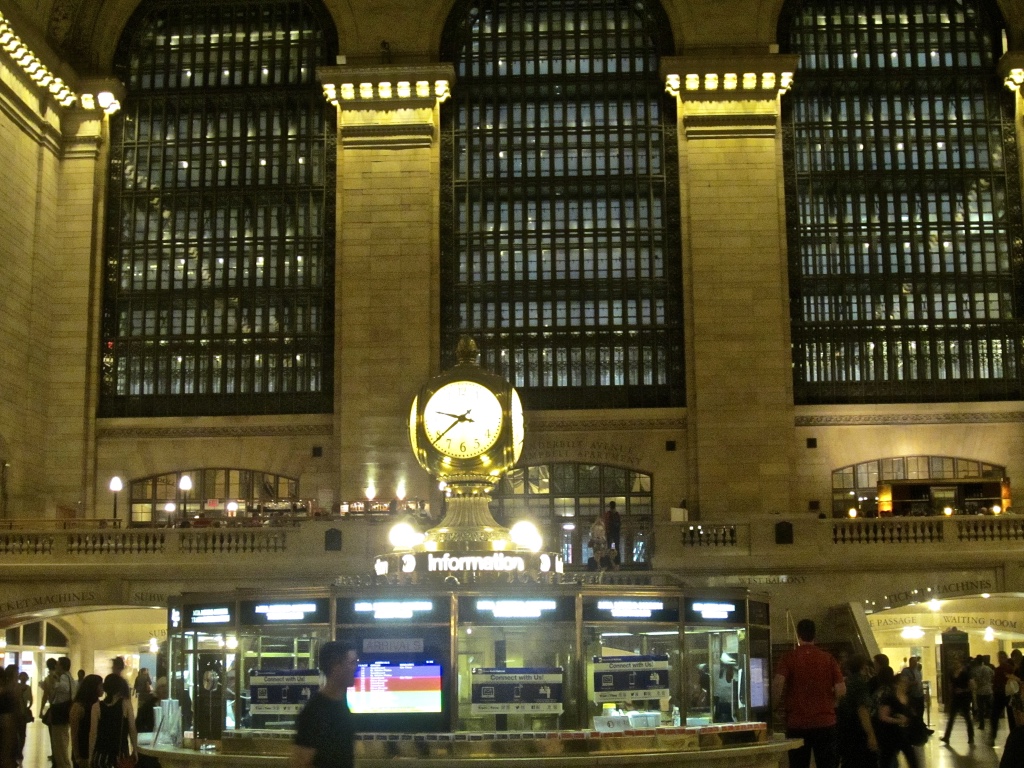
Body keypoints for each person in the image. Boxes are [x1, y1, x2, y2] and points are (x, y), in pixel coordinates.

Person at [772, 619, 845, 768]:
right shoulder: (828, 658)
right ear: (814, 635)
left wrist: (773, 709)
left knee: (798, 764)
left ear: (798, 634)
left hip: (797, 723)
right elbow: (841, 690)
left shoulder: (789, 657)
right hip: (825, 722)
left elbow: (778, 684)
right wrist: (831, 704)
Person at [290, 641, 359, 768]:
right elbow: (301, 763)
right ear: (336, 666)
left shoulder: (341, 703)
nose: (356, 667)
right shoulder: (314, 711)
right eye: (352, 662)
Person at [836, 654, 878, 768]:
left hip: (845, 729)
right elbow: (862, 710)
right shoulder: (860, 684)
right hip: (858, 731)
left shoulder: (847, 682)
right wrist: (871, 734)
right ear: (863, 667)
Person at [874, 666, 919, 768]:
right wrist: (898, 720)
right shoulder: (890, 698)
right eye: (903, 682)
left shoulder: (909, 698)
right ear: (897, 684)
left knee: (912, 760)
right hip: (890, 735)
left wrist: (909, 719)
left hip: (904, 735)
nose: (906, 684)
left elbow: (912, 716)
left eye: (906, 682)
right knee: (886, 761)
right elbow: (882, 716)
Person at [89, 674, 137, 768]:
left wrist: (91, 756)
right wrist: (135, 749)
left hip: (101, 756)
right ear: (119, 688)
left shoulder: (96, 707)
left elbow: (93, 734)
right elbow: (132, 729)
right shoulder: (126, 704)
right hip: (120, 757)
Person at [70, 674, 103, 768]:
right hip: (83, 752)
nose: (103, 688)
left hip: (95, 752)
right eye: (100, 685)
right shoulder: (79, 706)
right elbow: (74, 733)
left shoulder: (98, 705)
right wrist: (77, 756)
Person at [941, 657, 975, 745]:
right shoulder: (952, 673)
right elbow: (951, 685)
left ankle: (971, 737)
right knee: (951, 717)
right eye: (954, 663)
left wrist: (963, 690)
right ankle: (947, 737)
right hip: (955, 697)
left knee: (967, 717)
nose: (955, 665)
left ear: (960, 664)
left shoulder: (965, 673)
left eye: (956, 663)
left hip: (964, 697)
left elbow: (971, 686)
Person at [48, 657, 74, 768]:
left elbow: (63, 688)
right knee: (63, 740)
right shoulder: (69, 677)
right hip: (64, 712)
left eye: (58, 664)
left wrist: (54, 682)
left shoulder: (64, 677)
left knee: (59, 743)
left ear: (62, 666)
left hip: (60, 713)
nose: (56, 666)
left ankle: (64, 765)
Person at [972, 654, 994, 731]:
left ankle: (982, 724)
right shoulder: (988, 668)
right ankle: (992, 722)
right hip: (988, 690)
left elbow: (976, 679)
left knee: (981, 708)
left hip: (980, 691)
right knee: (990, 707)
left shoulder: (976, 670)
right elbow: (993, 675)